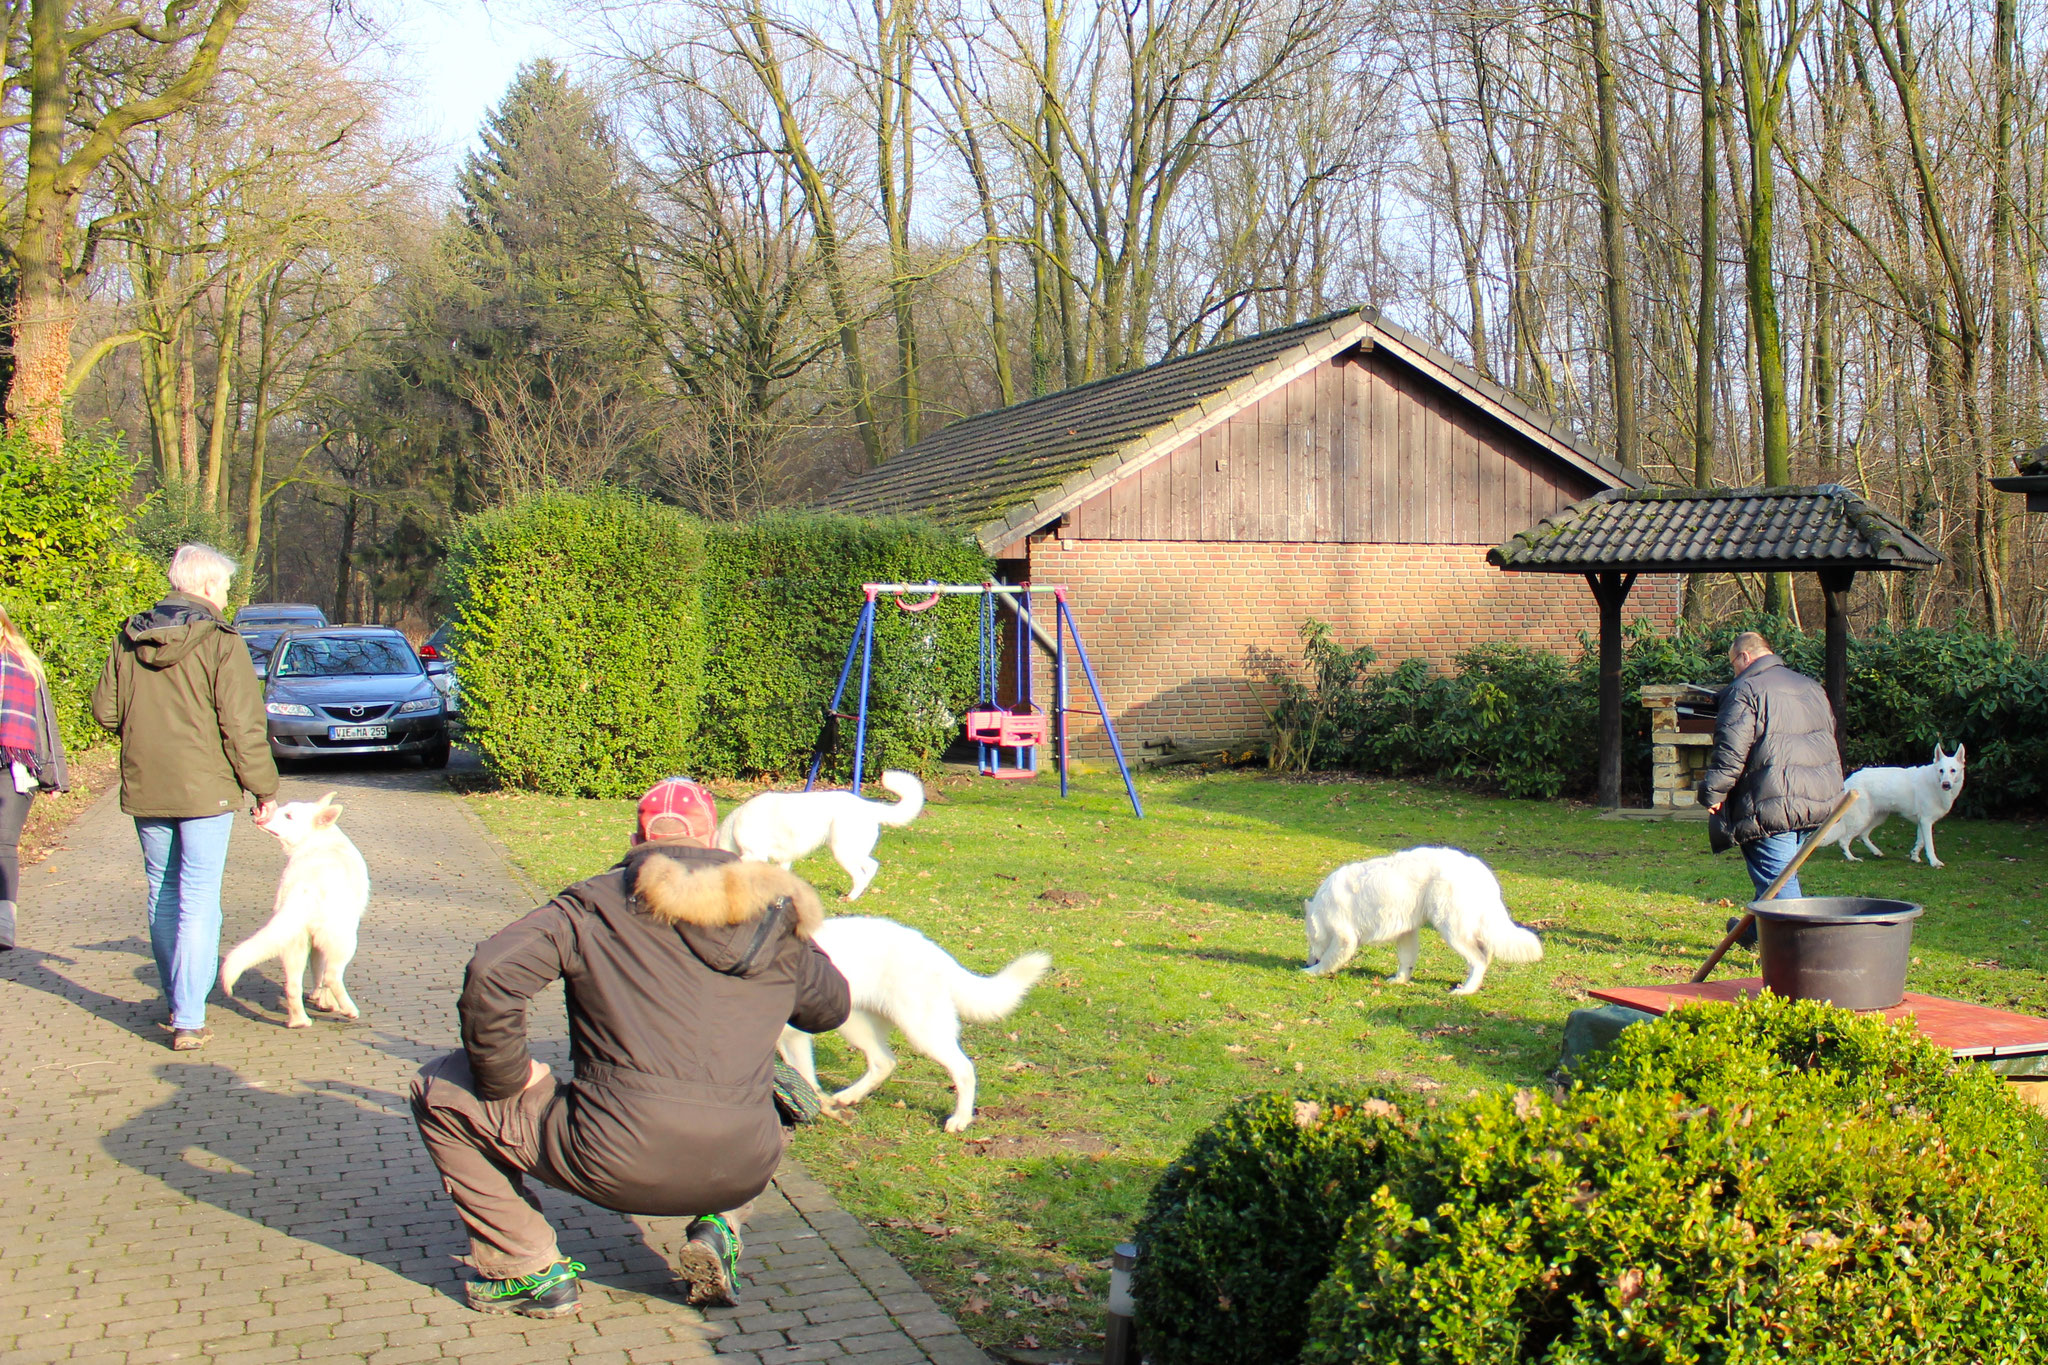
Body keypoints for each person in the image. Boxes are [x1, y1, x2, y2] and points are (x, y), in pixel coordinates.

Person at [409, 777, 850, 1319]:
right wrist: (790, 925)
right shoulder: (772, 914)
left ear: (638, 835)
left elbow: (492, 974)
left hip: (609, 1157)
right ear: (715, 836)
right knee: (780, 1087)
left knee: (440, 1086)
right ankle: (721, 1225)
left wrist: (506, 1079)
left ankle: (525, 1269)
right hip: (742, 1161)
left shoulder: (594, 903)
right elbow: (830, 1009)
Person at [92, 544, 279, 1050]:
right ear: (204, 587)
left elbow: (106, 711)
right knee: (197, 897)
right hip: (207, 789)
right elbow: (243, 725)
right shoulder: (221, 641)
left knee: (162, 890)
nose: (224, 596)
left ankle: (179, 1000)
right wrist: (264, 789)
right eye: (222, 587)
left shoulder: (130, 636)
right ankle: (189, 1016)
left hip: (146, 781)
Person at [1699, 631, 1842, 935]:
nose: (1734, 671)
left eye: (1733, 664)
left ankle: (1803, 953)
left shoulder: (1744, 689)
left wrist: (1714, 790)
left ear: (1744, 657)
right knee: (1778, 874)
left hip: (1772, 799)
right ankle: (1751, 934)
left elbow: (1731, 748)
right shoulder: (1810, 686)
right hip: (1818, 796)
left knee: (1780, 882)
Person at [0, 604, 71, 951]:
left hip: (14, 766)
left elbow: (45, 721)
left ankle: (3, 925)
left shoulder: (23, 663)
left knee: (2, 843)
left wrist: (54, 775)